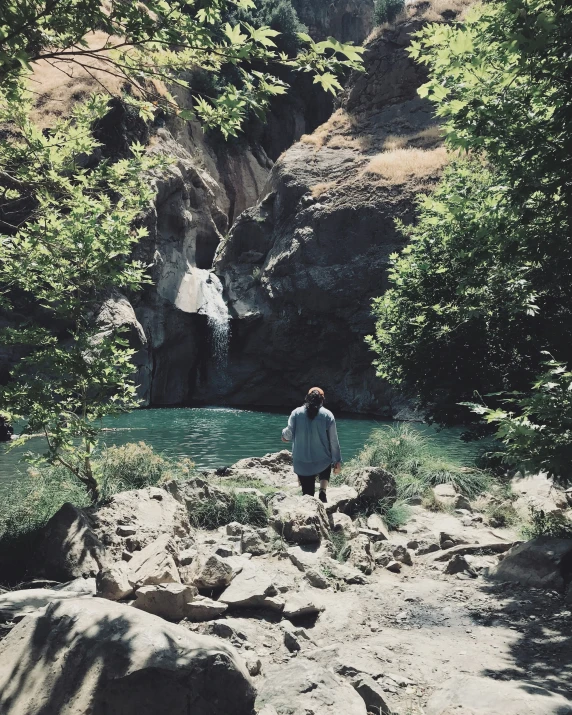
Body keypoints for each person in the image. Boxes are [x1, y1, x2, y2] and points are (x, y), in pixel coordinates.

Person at [281, 387, 342, 503]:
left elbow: (287, 435)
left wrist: (283, 435)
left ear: (307, 398)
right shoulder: (328, 415)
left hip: (302, 463)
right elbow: (333, 441)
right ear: (322, 400)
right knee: (327, 458)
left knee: (308, 497)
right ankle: (322, 490)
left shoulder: (296, 413)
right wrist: (337, 461)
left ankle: (310, 511)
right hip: (322, 461)